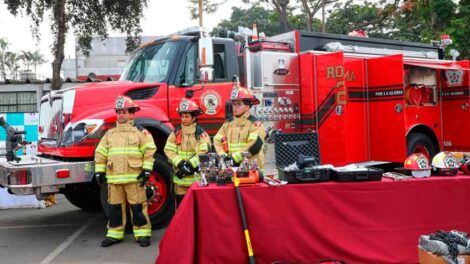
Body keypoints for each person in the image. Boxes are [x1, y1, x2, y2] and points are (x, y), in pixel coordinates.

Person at [94, 95, 156, 248]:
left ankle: (142, 234)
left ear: (131, 113)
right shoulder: (109, 134)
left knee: (138, 207)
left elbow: (149, 152)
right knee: (114, 208)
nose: (121, 115)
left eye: (124, 112)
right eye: (119, 112)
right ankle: (114, 234)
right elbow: (100, 153)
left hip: (134, 179)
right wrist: (99, 172)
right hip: (114, 179)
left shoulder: (141, 133)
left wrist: (147, 171)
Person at [164, 98, 211, 206]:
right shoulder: (175, 133)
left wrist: (190, 165)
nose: (183, 119)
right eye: (182, 116)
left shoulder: (201, 134)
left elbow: (203, 152)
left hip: (196, 180)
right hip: (179, 181)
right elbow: (169, 150)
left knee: (197, 208)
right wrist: (179, 163)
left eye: (187, 116)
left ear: (194, 117)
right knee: (181, 210)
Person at [214, 86, 266, 168]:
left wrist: (234, 158)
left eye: (239, 104)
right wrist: (223, 156)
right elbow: (217, 140)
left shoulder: (255, 124)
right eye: (233, 104)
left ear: (248, 106)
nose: (235, 107)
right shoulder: (228, 124)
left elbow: (254, 145)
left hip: (251, 170)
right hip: (232, 168)